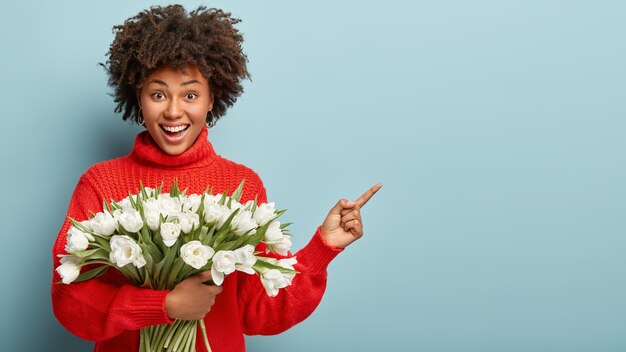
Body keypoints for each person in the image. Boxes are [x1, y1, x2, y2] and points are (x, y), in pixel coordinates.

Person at [51, 5, 381, 352]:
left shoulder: (241, 184)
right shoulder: (101, 183)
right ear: (139, 98)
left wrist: (322, 248)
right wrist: (164, 306)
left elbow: (260, 310)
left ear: (212, 99)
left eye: (190, 94)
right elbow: (70, 299)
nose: (174, 111)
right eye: (158, 94)